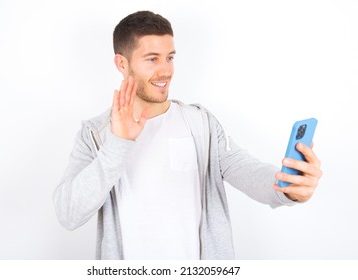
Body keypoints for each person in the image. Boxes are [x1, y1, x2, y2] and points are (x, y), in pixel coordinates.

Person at [53, 11, 322, 260]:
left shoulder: (200, 122)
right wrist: (118, 144)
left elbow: (246, 170)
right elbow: (68, 214)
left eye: (170, 57)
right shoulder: (95, 134)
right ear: (122, 64)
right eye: (152, 59)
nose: (166, 70)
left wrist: (289, 187)